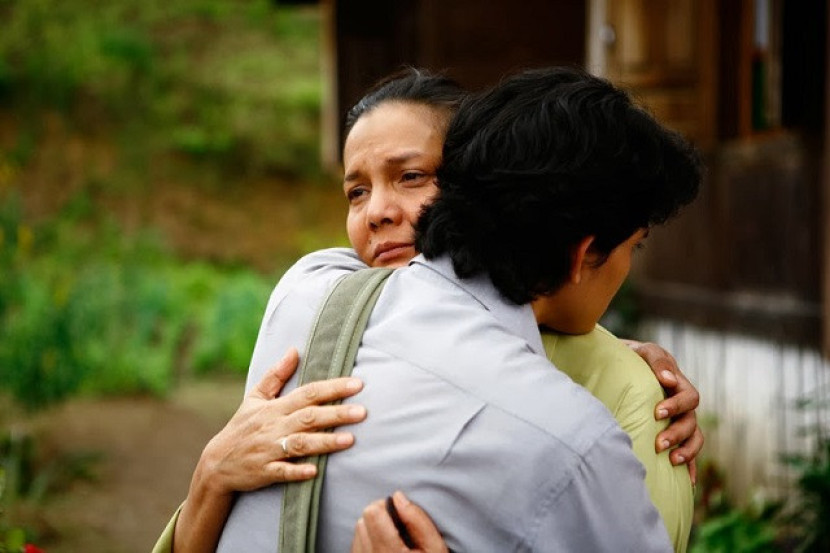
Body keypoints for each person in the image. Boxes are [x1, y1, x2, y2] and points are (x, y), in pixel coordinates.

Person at [154, 68, 702, 553]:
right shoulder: (324, 292)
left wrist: (612, 359)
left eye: (412, 176)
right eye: (355, 192)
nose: (377, 213)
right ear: (585, 253)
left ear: (471, 183)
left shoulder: (308, 289)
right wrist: (209, 476)